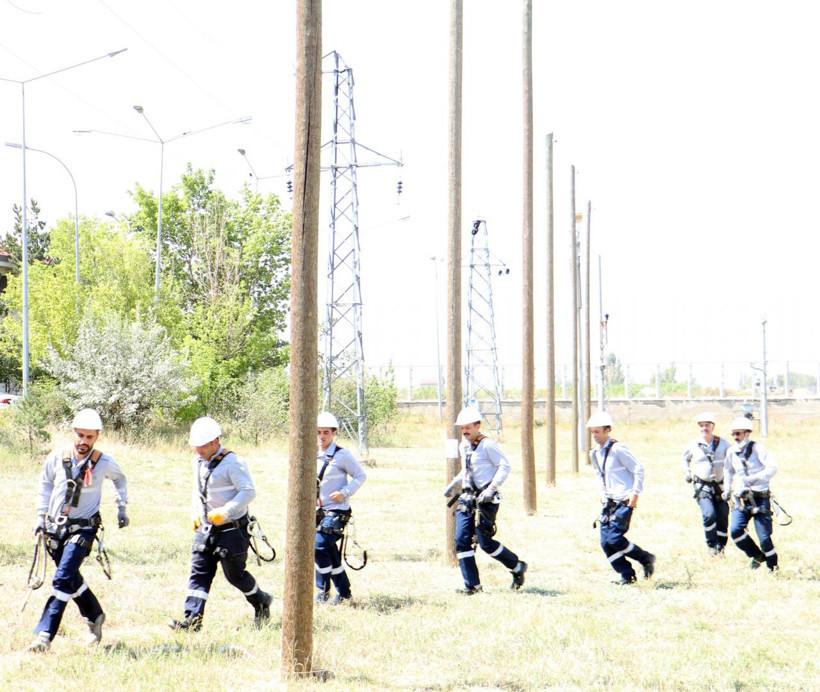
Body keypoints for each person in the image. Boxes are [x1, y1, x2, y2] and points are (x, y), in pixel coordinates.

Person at [28, 408, 129, 652]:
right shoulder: (56, 457)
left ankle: (44, 635)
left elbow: (120, 479)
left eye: (89, 437)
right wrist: (40, 517)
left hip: (82, 530)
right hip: (54, 529)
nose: (83, 441)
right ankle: (94, 614)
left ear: (97, 437)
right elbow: (44, 485)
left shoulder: (104, 462)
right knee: (70, 577)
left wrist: (121, 507)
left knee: (62, 578)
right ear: (73, 432)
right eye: (80, 435)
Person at [170, 417, 271, 631]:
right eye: (196, 444)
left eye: (203, 444)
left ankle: (261, 602)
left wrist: (226, 511)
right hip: (208, 529)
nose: (198, 449)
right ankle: (192, 621)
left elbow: (248, 491)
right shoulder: (198, 461)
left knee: (235, 575)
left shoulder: (232, 462)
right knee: (199, 572)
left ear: (216, 442)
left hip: (233, 530)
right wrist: (197, 512)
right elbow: (198, 491)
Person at [449, 406, 527, 595]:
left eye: (468, 427)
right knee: (461, 540)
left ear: (478, 426)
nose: (464, 431)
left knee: (485, 543)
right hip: (468, 499)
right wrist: (454, 483)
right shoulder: (464, 446)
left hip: (486, 500)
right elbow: (467, 470)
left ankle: (516, 566)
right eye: (462, 428)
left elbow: (504, 465)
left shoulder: (487, 445)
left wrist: (492, 488)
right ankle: (472, 586)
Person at [587, 411, 656, 585]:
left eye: (597, 431)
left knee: (614, 539)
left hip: (624, 501)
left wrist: (635, 493)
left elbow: (638, 469)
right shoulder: (594, 453)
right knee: (605, 543)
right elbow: (599, 475)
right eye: (592, 432)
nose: (594, 435)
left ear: (607, 430)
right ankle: (627, 576)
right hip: (608, 502)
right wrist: (602, 495)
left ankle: (645, 558)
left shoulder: (618, 449)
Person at [315, 411, 367, 605]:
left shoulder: (342, 455)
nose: (322, 436)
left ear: (334, 433)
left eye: (326, 432)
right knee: (330, 551)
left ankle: (322, 591)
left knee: (319, 545)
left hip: (336, 511)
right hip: (317, 511)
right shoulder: (310, 454)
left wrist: (344, 492)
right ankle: (344, 592)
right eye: (319, 432)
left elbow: (360, 476)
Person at [722, 417, 779, 572]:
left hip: (760, 498)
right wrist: (727, 489)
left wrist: (754, 479)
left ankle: (773, 566)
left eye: (738, 433)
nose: (735, 437)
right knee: (735, 530)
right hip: (741, 499)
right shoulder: (731, 452)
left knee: (765, 538)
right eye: (733, 434)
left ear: (747, 434)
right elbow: (727, 470)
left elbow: (772, 467)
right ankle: (757, 556)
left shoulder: (758, 449)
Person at [681, 412, 731, 555]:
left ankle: (720, 548)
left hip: (720, 486)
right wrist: (687, 472)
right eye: (701, 425)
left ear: (713, 426)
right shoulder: (693, 444)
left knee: (723, 516)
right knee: (709, 514)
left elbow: (734, 458)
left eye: (707, 425)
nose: (704, 428)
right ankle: (711, 545)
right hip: (702, 486)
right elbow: (684, 459)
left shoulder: (723, 444)